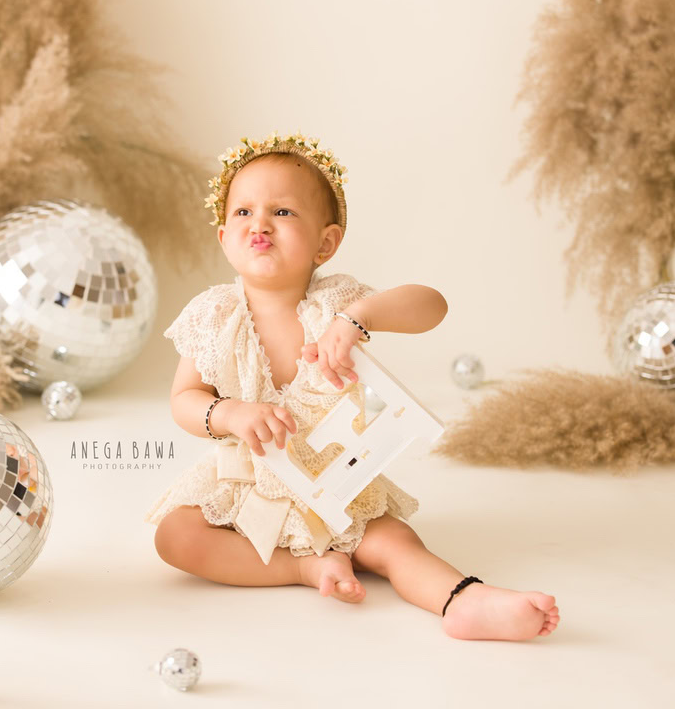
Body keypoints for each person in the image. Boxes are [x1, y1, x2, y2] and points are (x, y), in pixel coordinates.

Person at [144, 131, 560, 641]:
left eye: (283, 213)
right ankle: (300, 568)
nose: (260, 225)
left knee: (395, 544)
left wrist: (359, 317)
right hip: (252, 483)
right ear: (223, 236)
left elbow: (432, 306)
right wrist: (230, 414)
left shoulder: (334, 302)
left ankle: (465, 601)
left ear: (326, 242)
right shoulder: (214, 314)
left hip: (338, 481)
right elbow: (185, 400)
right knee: (176, 536)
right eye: (243, 212)